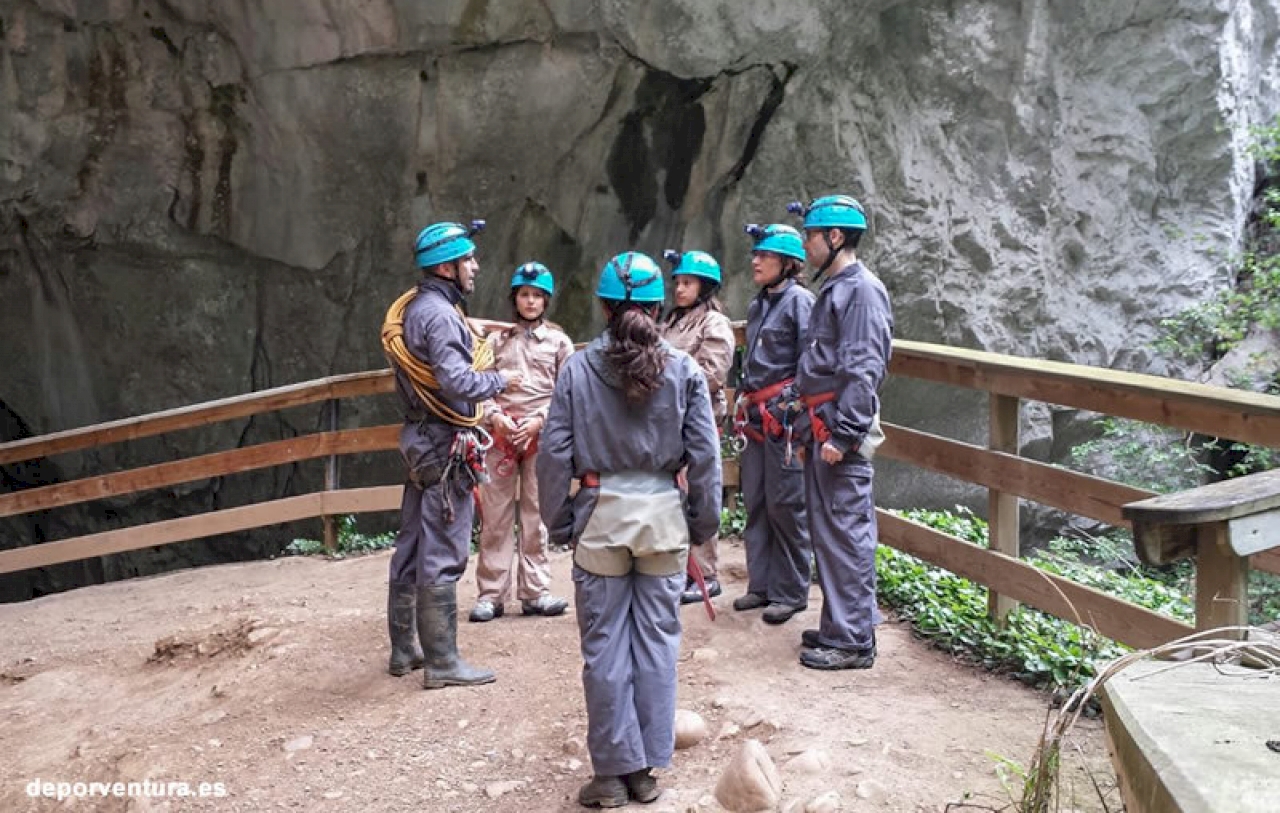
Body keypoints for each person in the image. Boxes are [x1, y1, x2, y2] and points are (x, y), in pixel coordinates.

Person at [537, 252, 721, 808]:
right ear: (658, 306)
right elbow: (706, 458)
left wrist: (560, 519)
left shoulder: (576, 369)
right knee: (658, 647)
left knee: (605, 649)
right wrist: (699, 524)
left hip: (600, 520)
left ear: (602, 306)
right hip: (664, 519)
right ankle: (644, 772)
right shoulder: (685, 370)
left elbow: (553, 455)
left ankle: (611, 777)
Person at [381, 219, 522, 688]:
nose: (476, 266)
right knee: (444, 544)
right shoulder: (440, 317)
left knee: (413, 543)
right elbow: (457, 382)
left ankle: (405, 650)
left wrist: (470, 330)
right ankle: (442, 662)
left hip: (419, 440)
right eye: (468, 259)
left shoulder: (418, 310)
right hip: (444, 443)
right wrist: (502, 379)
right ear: (447, 265)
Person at [789, 194, 893, 670]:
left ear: (834, 237)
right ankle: (840, 626)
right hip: (822, 425)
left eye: (810, 235)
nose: (805, 243)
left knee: (847, 532)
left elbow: (862, 367)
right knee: (831, 531)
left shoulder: (861, 291)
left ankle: (853, 640)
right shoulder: (837, 287)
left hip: (838, 431)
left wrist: (844, 434)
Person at [470, 262, 574, 623]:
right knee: (495, 517)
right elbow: (478, 384)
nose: (530, 301)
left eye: (537, 295)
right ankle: (491, 594)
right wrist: (494, 416)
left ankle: (536, 591)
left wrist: (539, 421)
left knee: (537, 516)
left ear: (546, 300)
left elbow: (567, 392)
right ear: (514, 298)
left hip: (540, 435)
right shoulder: (495, 340)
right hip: (499, 435)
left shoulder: (560, 343)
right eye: (524, 294)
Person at [730, 224, 815, 626]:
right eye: (756, 254)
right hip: (756, 417)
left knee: (787, 504)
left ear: (787, 263)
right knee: (758, 500)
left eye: (765, 256)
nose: (756, 261)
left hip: (784, 419)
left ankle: (791, 591)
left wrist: (792, 409)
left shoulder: (801, 304)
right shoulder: (758, 305)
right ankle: (761, 585)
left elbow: (810, 365)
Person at [658, 249, 735, 605]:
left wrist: (667, 389)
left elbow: (712, 375)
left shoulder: (713, 324)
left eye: (687, 282)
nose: (679, 288)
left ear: (704, 287)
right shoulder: (670, 322)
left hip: (698, 421)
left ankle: (704, 573)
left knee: (699, 491)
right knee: (674, 495)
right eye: (677, 282)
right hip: (669, 422)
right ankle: (678, 568)